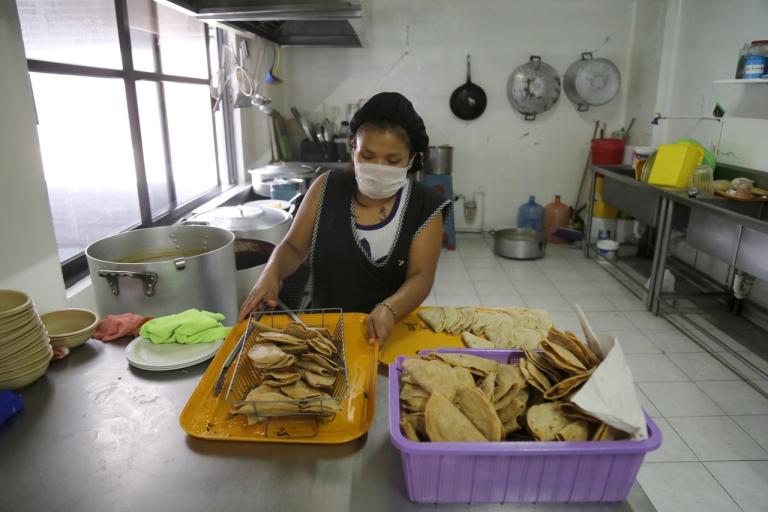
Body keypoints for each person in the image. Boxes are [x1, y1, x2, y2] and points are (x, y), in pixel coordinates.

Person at [239, 92, 450, 345]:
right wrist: (271, 273)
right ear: (353, 148)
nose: (378, 167)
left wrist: (390, 309)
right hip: (324, 332)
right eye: (367, 156)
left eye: (393, 160)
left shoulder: (424, 206)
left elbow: (421, 276)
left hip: (391, 332)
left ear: (411, 160)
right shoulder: (326, 188)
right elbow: (294, 248)